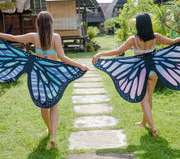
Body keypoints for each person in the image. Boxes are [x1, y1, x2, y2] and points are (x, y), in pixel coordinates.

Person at [0, 11, 89, 148]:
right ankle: (53, 135)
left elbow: (13, 38)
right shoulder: (56, 37)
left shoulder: (33, 37)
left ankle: (48, 129)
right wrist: (80, 65)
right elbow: (63, 58)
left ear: (38, 23)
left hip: (38, 75)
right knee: (54, 105)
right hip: (52, 75)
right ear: (50, 23)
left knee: (43, 105)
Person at [92, 12, 180, 137]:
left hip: (140, 71)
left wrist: (100, 54)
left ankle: (153, 129)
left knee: (143, 100)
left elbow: (118, 51)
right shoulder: (156, 36)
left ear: (139, 25)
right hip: (153, 71)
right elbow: (172, 42)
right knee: (149, 98)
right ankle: (144, 123)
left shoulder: (133, 39)